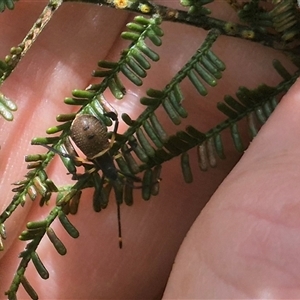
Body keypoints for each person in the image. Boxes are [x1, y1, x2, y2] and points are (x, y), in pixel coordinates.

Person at [0, 1, 299, 298]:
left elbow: (88, 153)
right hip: (92, 137)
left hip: (92, 137)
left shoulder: (101, 160)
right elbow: (100, 145)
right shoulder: (111, 156)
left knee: (102, 136)